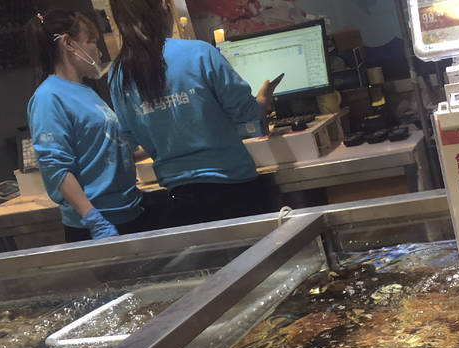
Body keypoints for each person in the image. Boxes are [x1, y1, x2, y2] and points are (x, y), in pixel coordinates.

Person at [108, 0, 279, 227]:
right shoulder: (199, 53)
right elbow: (245, 113)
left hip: (180, 200)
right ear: (163, 6)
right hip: (235, 189)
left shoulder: (118, 73)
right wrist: (263, 101)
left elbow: (129, 138)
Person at [25, 10, 152, 243]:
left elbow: (106, 149)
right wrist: (92, 218)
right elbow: (56, 168)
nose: (99, 50)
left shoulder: (86, 92)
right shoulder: (48, 97)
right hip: (99, 223)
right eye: (91, 41)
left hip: (129, 211)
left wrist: (155, 146)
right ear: (68, 44)